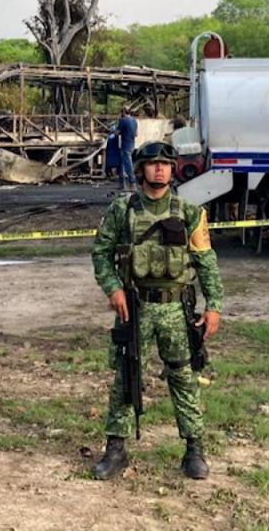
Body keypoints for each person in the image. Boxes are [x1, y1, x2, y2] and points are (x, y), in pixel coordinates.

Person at [90, 141, 224, 480]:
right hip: (135, 308)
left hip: (177, 311)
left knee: (183, 377)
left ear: (173, 169)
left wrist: (214, 306)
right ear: (141, 170)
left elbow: (206, 262)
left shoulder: (189, 212)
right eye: (152, 164)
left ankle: (194, 451)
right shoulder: (123, 210)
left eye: (165, 164)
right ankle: (115, 450)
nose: (159, 169)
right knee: (126, 376)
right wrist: (113, 288)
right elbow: (101, 253)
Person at [116, 107, 138, 190]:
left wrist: (113, 130)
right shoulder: (134, 121)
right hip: (132, 144)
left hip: (125, 144)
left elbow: (117, 133)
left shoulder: (123, 120)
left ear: (124, 112)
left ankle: (132, 183)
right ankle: (122, 183)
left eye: (121, 112)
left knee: (128, 164)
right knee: (122, 163)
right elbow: (136, 134)